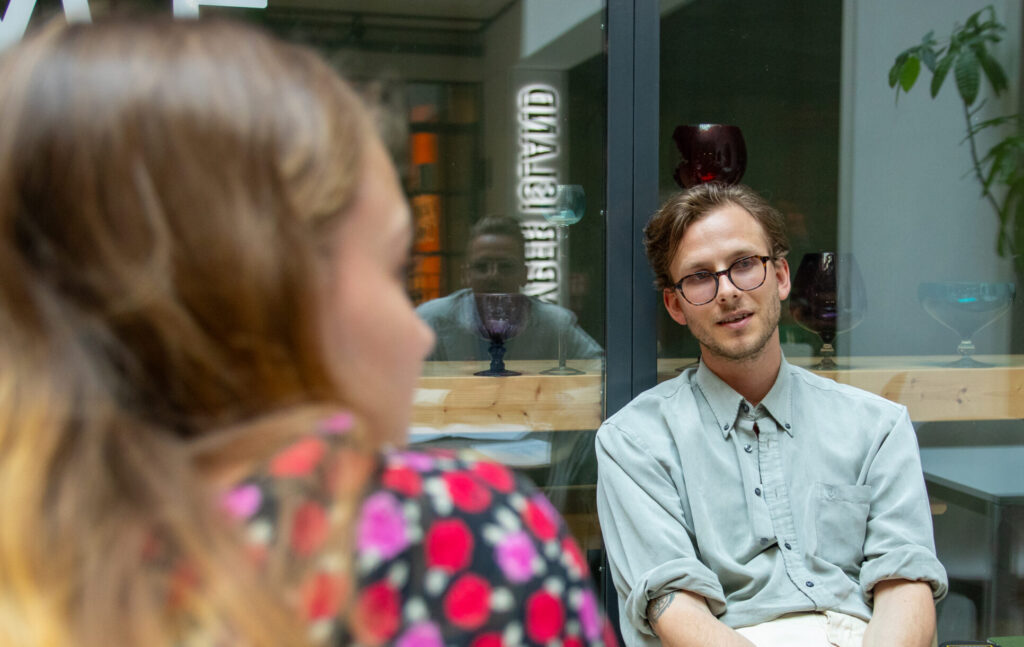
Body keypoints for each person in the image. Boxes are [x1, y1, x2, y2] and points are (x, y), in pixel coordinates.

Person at [0, 18, 618, 647]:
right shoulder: (463, 542)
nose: (416, 337)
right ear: (260, 296)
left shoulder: (44, 553)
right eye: (391, 269)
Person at [595, 183, 947, 647]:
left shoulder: (878, 427)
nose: (727, 292)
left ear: (781, 276)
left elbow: (906, 584)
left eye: (744, 264)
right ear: (675, 305)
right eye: (700, 276)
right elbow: (672, 604)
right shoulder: (633, 442)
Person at [417, 214, 603, 362]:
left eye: (505, 266)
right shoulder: (431, 322)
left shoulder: (555, 325)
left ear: (525, 274)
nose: (493, 276)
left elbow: (601, 374)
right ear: (466, 275)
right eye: (482, 267)